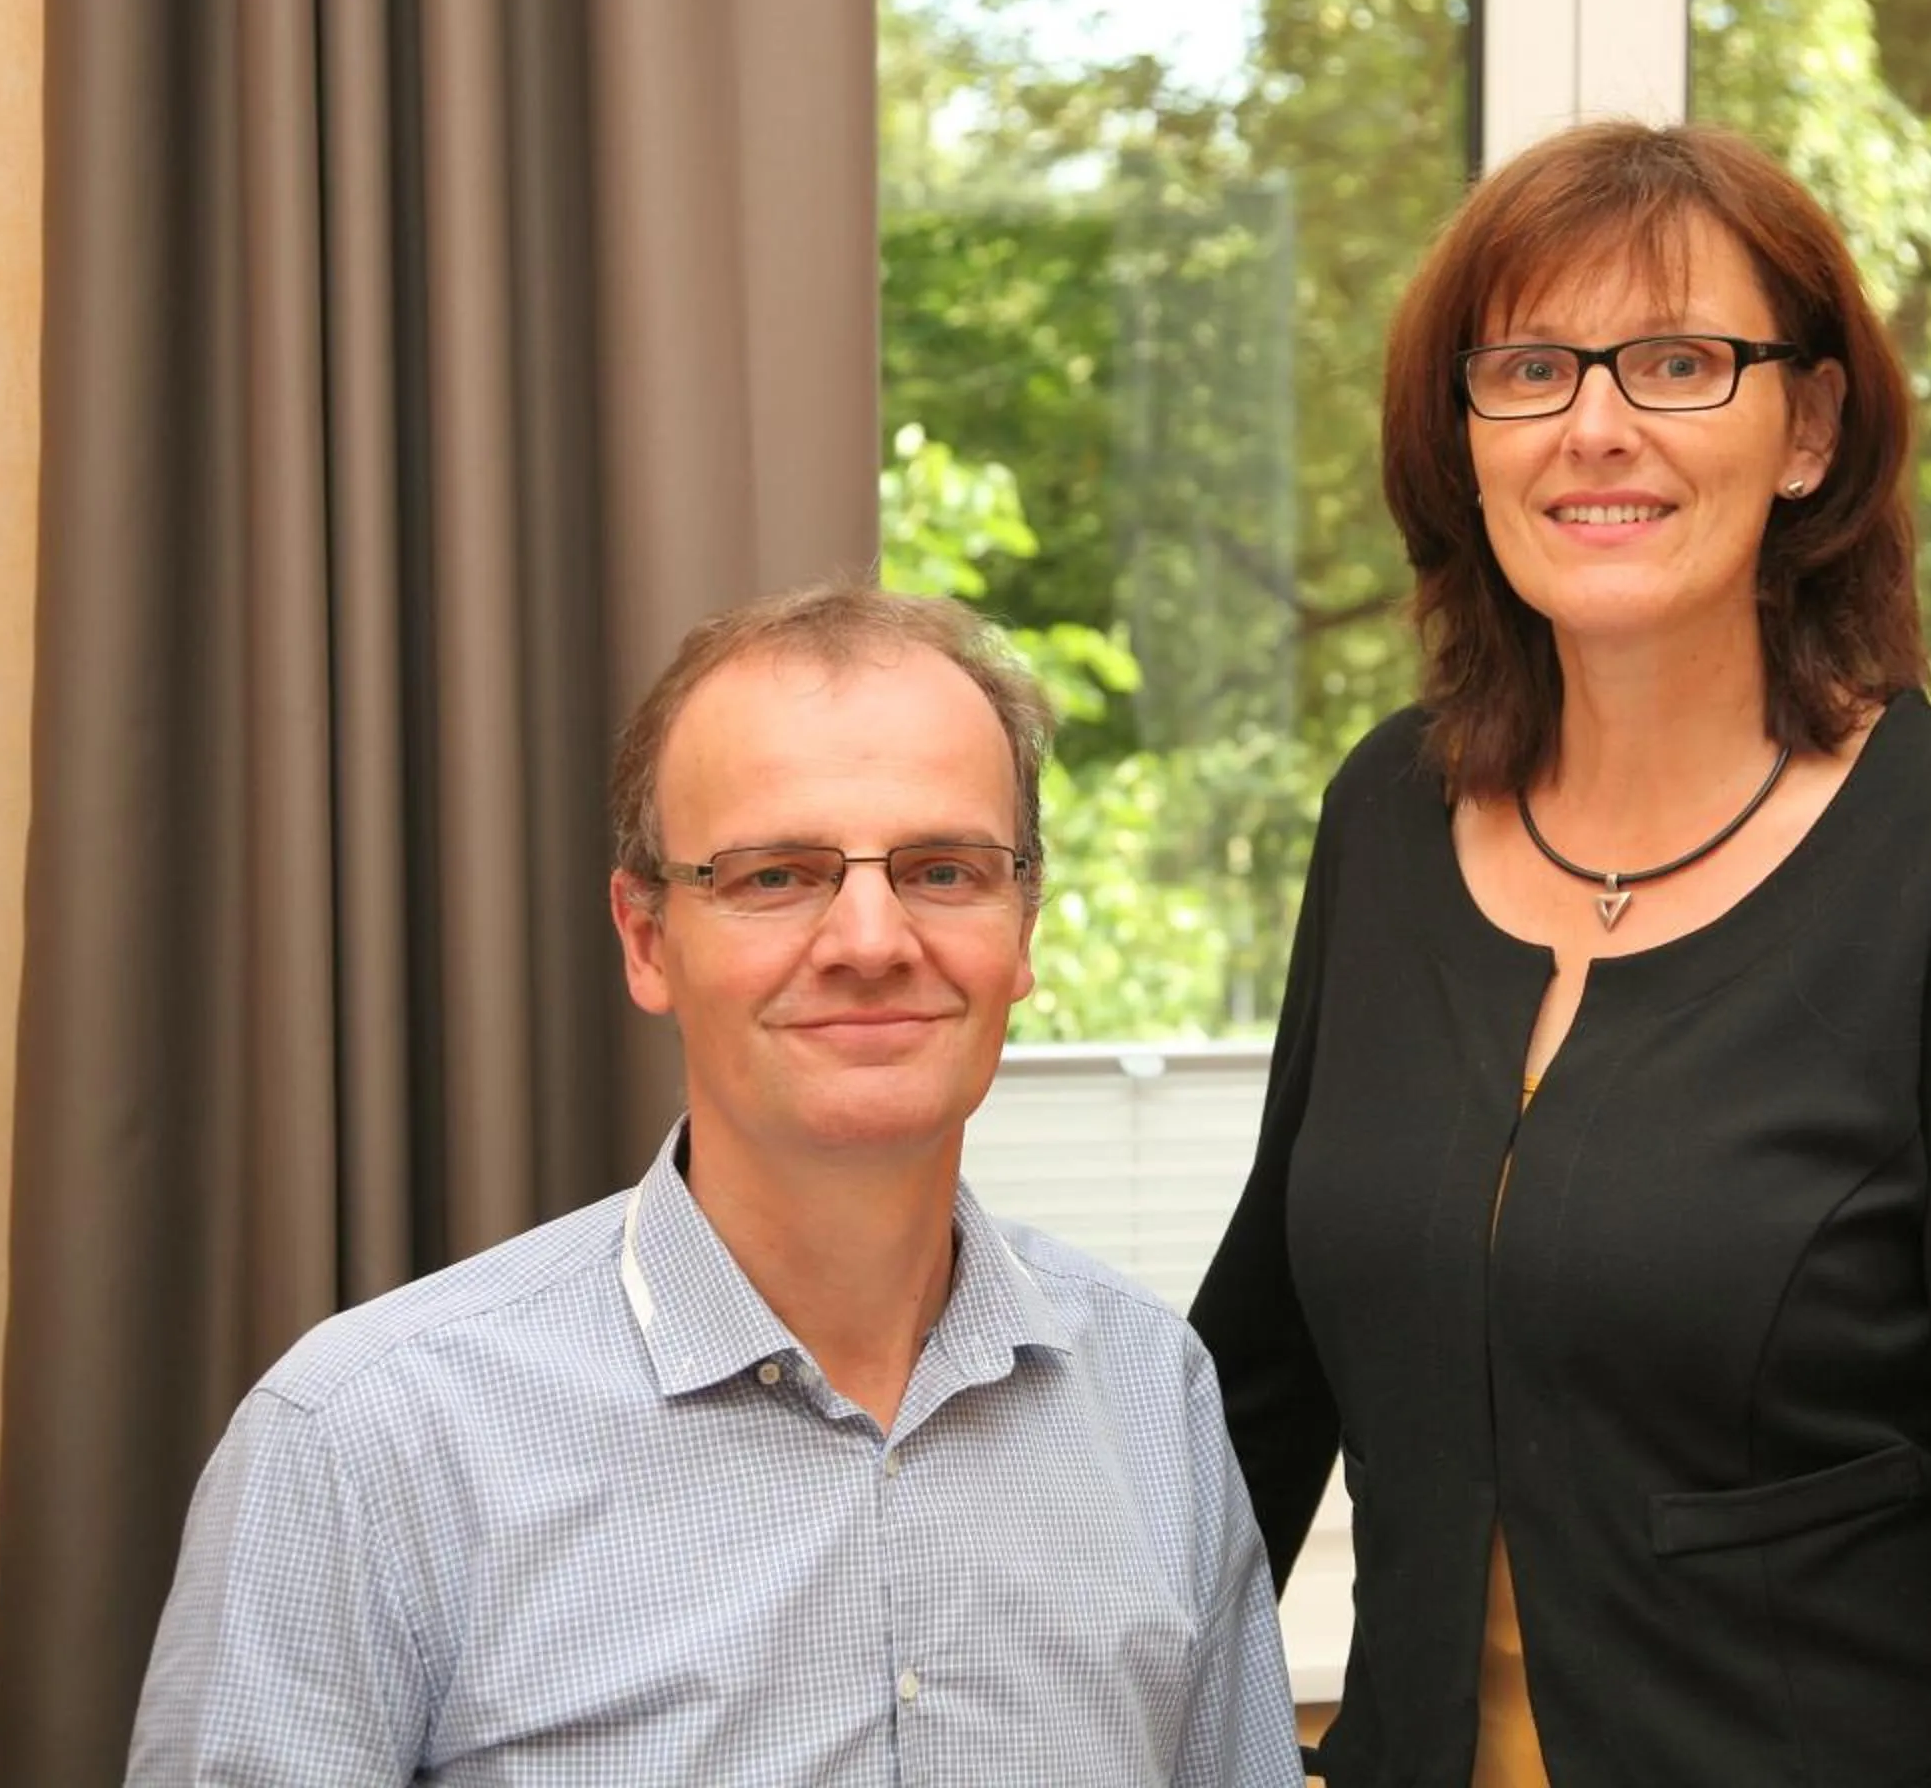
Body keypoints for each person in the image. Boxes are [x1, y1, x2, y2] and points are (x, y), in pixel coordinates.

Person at [1192, 121, 1931, 1787]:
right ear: (1468, 436)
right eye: (1529, 367)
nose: (1596, 426)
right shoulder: (1386, 817)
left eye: (1677, 362)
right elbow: (1261, 1375)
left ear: (1807, 426)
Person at [131, 582, 1305, 1788]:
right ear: (646, 939)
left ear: (1024, 927)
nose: (869, 939)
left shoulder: (1152, 1395)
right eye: (775, 875)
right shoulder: (367, 1441)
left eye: (944, 869)